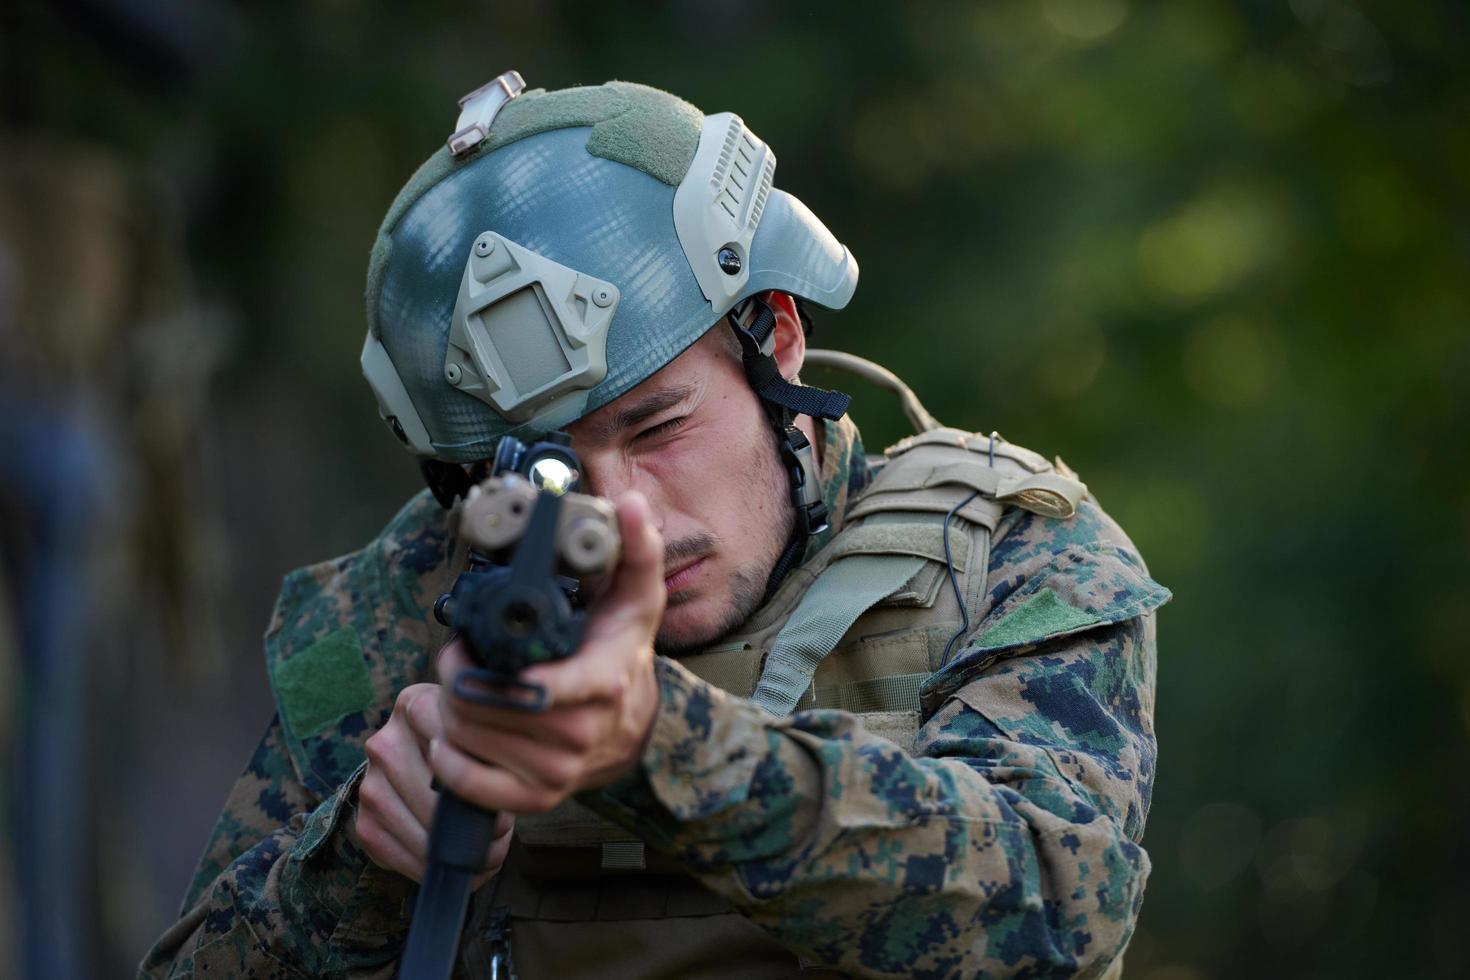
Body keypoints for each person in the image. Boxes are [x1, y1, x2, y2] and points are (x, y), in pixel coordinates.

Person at [140, 75, 1170, 979]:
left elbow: (1062, 902)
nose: (623, 511)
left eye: (659, 424)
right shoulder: (403, 603)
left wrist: (655, 741)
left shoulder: (1005, 549)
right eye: (553, 469)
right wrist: (355, 867)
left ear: (778, 334)